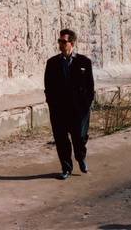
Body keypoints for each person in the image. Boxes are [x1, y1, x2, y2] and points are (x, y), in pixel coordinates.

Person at [44, 29, 95, 180]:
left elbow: (90, 87)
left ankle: (80, 157)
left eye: (63, 42)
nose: (60, 44)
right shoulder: (52, 63)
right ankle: (66, 168)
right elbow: (48, 86)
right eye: (59, 41)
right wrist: (52, 104)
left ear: (71, 43)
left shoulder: (84, 62)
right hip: (59, 109)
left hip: (79, 110)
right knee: (61, 140)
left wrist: (85, 105)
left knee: (79, 137)